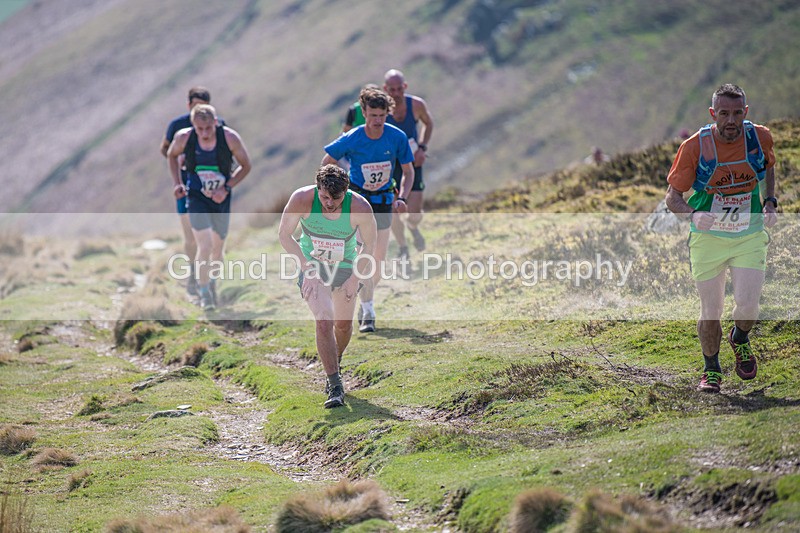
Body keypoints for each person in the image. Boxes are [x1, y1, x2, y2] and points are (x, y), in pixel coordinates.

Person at [665, 83, 778, 393]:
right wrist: (692, 214)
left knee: (749, 306)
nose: (731, 121)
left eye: (737, 113)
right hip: (708, 238)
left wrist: (770, 200)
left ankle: (739, 338)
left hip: (749, 234)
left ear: (746, 113)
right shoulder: (694, 147)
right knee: (711, 308)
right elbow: (672, 197)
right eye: (724, 114)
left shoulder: (759, 137)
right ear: (713, 113)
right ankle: (711, 369)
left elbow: (769, 167)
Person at [278, 164, 377, 408]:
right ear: (317, 189)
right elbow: (284, 235)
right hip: (313, 266)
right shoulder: (301, 199)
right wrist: (306, 267)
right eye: (324, 197)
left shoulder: (360, 207)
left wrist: (356, 277)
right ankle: (334, 384)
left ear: (346, 192)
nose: (329, 203)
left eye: (336, 198)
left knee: (342, 326)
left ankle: (336, 359)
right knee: (324, 319)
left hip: (346, 267)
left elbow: (369, 246)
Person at [322, 87, 414, 333]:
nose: (377, 121)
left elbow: (408, 171)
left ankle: (362, 298)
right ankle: (369, 311)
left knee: (378, 261)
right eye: (372, 115)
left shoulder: (396, 137)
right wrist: (332, 194)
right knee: (364, 257)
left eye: (382, 115)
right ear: (363, 112)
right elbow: (327, 162)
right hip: (359, 202)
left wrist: (402, 196)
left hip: (384, 201)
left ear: (388, 113)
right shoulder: (353, 137)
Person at [167, 104, 251, 311]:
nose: (204, 134)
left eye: (208, 128)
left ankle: (212, 282)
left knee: (217, 249)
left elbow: (246, 165)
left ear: (215, 123)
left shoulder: (230, 138)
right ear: (193, 125)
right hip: (196, 196)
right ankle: (205, 293)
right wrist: (177, 182)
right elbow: (171, 155)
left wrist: (227, 187)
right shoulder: (184, 138)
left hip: (221, 199)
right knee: (203, 245)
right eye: (199, 129)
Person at [160, 87, 225, 297]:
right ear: (189, 105)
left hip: (210, 190)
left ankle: (208, 281)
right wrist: (180, 165)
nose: (199, 109)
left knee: (213, 239)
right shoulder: (177, 126)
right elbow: (166, 150)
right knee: (191, 237)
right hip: (185, 187)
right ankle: (193, 273)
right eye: (196, 105)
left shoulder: (218, 125)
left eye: (203, 105)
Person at [383, 69, 434, 260]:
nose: (396, 94)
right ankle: (403, 247)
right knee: (393, 208)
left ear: (405, 87)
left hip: (413, 162)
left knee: (414, 212)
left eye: (399, 89)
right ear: (385, 89)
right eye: (392, 90)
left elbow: (429, 123)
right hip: (389, 166)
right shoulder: (381, 109)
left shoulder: (416, 104)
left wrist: (422, 148)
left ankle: (413, 228)